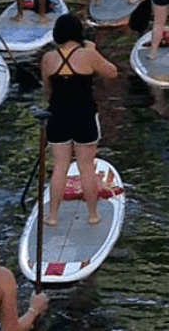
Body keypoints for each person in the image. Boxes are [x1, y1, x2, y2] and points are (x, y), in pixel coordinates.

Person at [41, 15, 119, 226]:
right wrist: (93, 51)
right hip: (84, 115)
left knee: (60, 166)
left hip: (58, 116)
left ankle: (53, 216)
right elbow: (112, 72)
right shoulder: (88, 55)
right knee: (86, 166)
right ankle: (93, 214)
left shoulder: (49, 58)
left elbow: (48, 90)